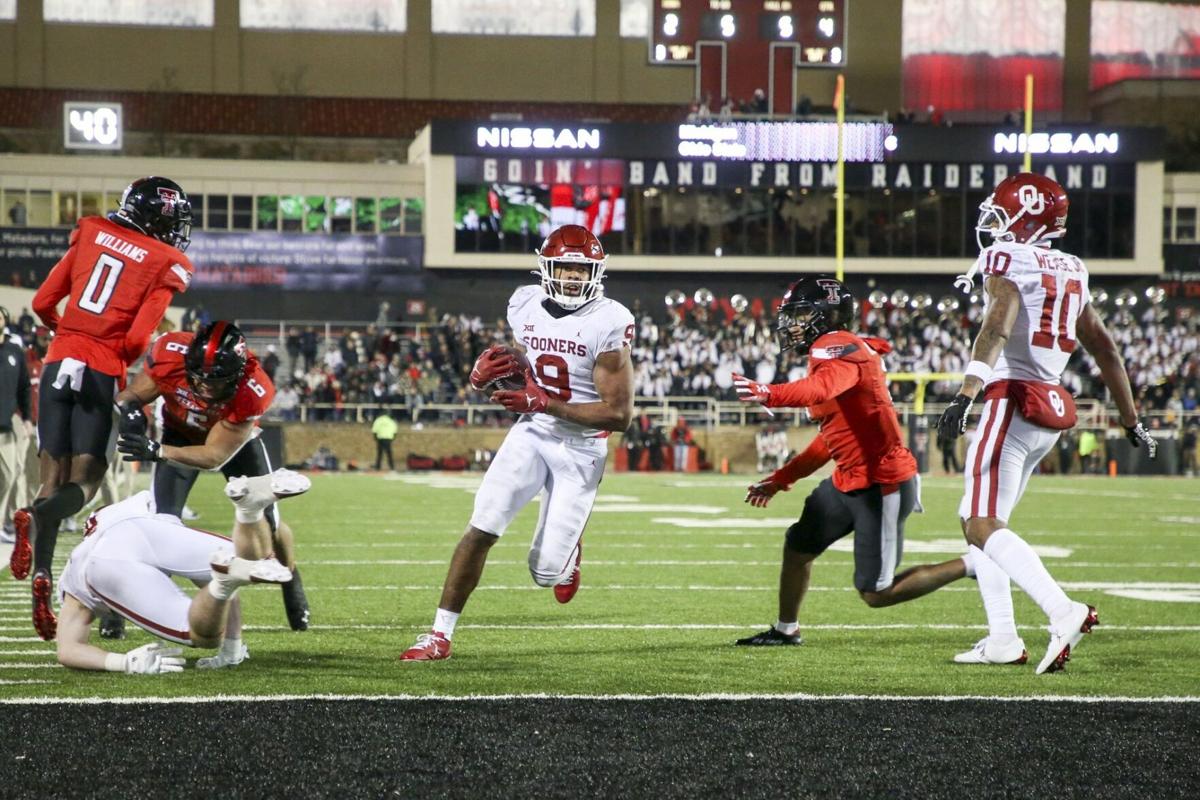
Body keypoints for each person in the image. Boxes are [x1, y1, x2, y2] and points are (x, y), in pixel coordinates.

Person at [936, 172, 1156, 674]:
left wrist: (966, 393)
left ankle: (1063, 611)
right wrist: (1130, 419)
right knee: (980, 522)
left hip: (1010, 400)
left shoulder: (1008, 258)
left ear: (1027, 214)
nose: (993, 220)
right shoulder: (1072, 268)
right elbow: (1105, 347)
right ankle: (1002, 640)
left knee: (981, 523)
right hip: (1047, 410)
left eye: (1003, 210)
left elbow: (997, 326)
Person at [400, 224, 635, 662]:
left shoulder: (609, 322)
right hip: (532, 431)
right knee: (482, 525)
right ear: (546, 268)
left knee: (544, 573)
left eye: (579, 270)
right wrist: (491, 371)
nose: (570, 278)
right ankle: (439, 634)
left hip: (582, 446)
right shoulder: (524, 302)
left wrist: (544, 402)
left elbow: (619, 415)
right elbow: (531, 360)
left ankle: (569, 552)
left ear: (596, 274)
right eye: (563, 267)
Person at [732, 276, 969, 647]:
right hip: (848, 479)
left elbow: (819, 389)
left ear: (826, 315)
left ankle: (974, 565)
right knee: (798, 545)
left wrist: (769, 392)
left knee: (877, 593)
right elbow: (829, 441)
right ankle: (785, 628)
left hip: (882, 482)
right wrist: (780, 480)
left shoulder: (837, 345)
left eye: (802, 314)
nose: (791, 324)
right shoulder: (830, 351)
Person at [10, 175, 194, 641]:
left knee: (50, 482)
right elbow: (135, 339)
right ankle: (38, 520)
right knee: (87, 483)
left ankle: (42, 576)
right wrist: (112, 354)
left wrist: (66, 334)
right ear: (159, 219)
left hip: (57, 361)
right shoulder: (165, 260)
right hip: (99, 367)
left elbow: (41, 302)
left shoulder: (91, 232)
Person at [113, 321, 310, 633]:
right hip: (178, 434)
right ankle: (125, 607)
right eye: (199, 377)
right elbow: (130, 396)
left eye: (216, 380)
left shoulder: (252, 388)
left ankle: (291, 577)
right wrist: (131, 415)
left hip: (234, 445)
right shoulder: (169, 354)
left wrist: (158, 451)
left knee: (268, 525)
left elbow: (214, 456)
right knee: (162, 526)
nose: (205, 387)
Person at [55, 470, 309, 674]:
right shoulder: (116, 517)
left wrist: (123, 662)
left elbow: (67, 650)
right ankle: (249, 511)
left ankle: (223, 583)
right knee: (252, 557)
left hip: (107, 559)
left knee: (203, 634)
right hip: (149, 522)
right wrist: (232, 649)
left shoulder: (76, 576)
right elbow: (205, 575)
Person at [0, 309, 33, 541]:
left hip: (5, 425)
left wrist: (27, 418)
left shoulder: (14, 351)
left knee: (10, 474)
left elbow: (24, 387)